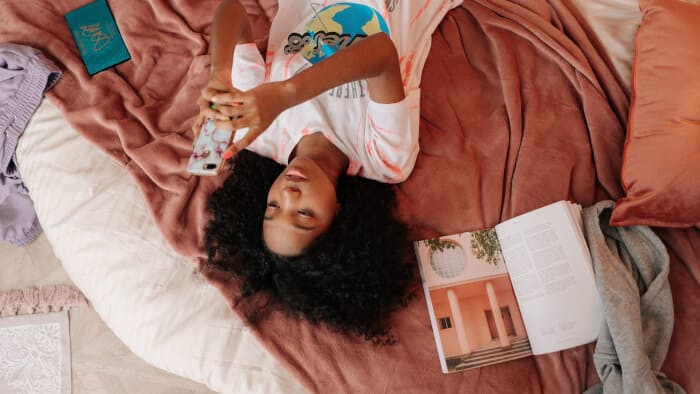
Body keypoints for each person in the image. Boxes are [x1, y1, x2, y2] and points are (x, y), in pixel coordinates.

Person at [196, 0, 460, 341]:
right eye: (304, 214)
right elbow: (379, 52)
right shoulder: (382, 158)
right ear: (337, 215)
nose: (288, 195)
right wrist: (285, 95)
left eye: (273, 208)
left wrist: (220, 72)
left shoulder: (259, 134)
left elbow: (231, 10)